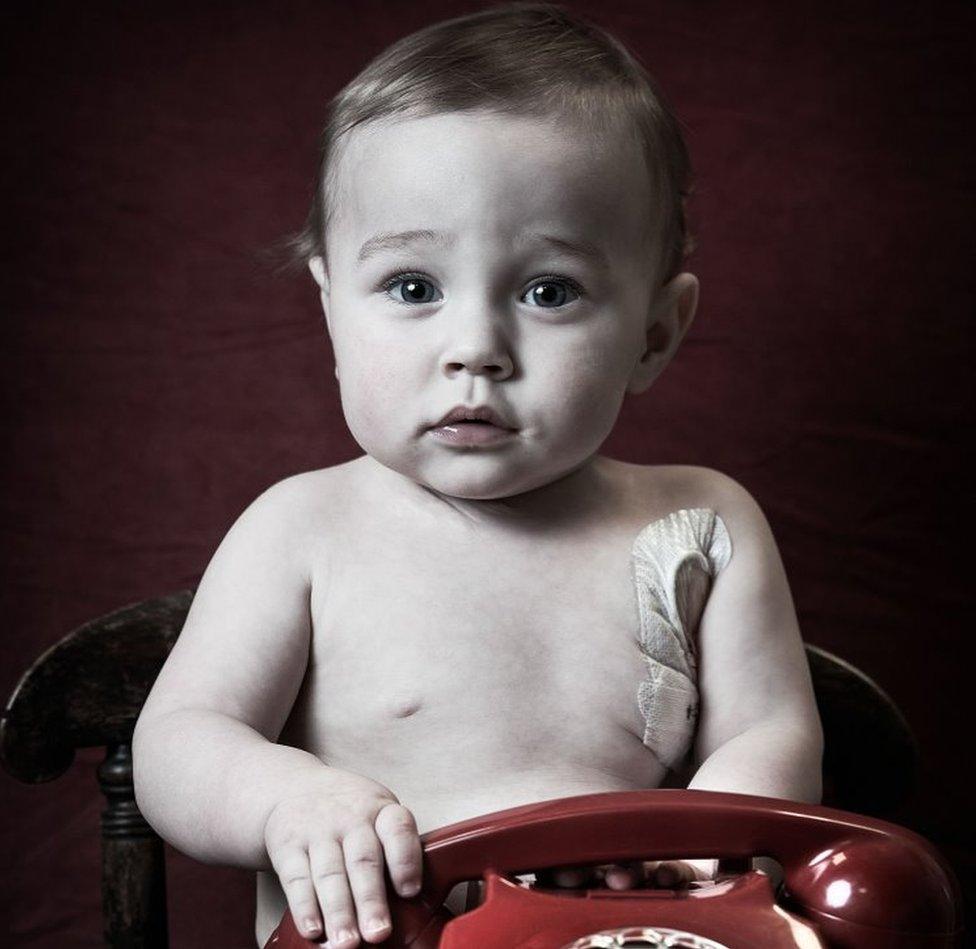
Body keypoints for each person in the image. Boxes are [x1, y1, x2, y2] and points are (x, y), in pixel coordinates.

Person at [131, 3, 824, 947]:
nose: (475, 349)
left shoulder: (703, 522)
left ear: (654, 335)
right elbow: (178, 741)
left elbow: (771, 732)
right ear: (334, 311)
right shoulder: (302, 527)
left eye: (549, 291)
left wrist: (710, 842)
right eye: (414, 288)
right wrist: (286, 798)